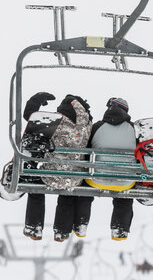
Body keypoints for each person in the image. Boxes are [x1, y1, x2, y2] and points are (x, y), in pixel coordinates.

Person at [21, 93, 93, 242]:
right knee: (67, 191)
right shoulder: (87, 126)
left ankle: (34, 227)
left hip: (50, 176)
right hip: (74, 180)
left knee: (34, 187)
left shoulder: (55, 122)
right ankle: (62, 231)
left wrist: (35, 100)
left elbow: (30, 117)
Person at [85, 98, 137, 240]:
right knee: (125, 191)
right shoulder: (134, 129)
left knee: (83, 184)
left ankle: (80, 223)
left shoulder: (97, 127)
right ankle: (120, 229)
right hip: (125, 183)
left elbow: (86, 149)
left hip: (96, 179)